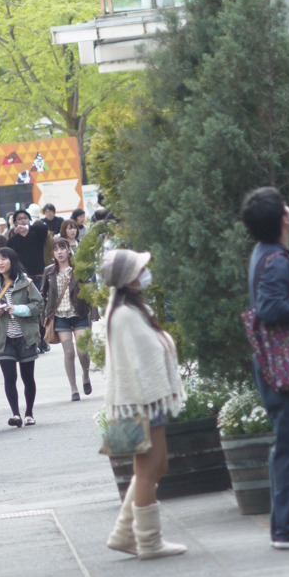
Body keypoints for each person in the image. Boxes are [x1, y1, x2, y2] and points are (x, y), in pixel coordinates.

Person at [241, 186, 289, 549]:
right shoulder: (276, 260)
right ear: (282, 218)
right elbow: (270, 312)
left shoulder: (266, 254)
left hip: (278, 366)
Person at [99, 249, 186, 560]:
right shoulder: (124, 315)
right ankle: (148, 541)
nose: (146, 272)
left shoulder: (131, 309)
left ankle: (124, 532)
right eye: (140, 269)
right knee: (149, 469)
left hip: (149, 399)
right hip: (142, 401)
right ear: (128, 279)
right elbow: (133, 362)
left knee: (156, 466)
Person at [0, 248, 44, 427]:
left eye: (3, 259)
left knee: (27, 377)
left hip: (25, 336)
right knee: (9, 377)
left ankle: (29, 413)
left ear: (12, 261)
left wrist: (18, 309)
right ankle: (15, 414)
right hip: (4, 338)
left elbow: (38, 304)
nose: (0, 263)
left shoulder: (26, 282)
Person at [41, 238, 93, 401]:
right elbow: (42, 294)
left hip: (79, 313)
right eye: (56, 250)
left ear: (68, 250)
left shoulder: (78, 269)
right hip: (60, 316)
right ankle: (74, 388)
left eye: (62, 248)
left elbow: (90, 290)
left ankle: (85, 375)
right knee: (69, 351)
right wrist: (45, 315)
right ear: (53, 253)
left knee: (83, 350)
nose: (59, 252)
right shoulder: (49, 271)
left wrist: (95, 312)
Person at [8, 209, 50, 352]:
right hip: (23, 280)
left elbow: (43, 227)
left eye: (25, 218)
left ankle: (43, 340)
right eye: (19, 219)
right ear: (14, 222)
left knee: (40, 309)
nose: (22, 221)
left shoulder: (36, 235)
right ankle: (33, 342)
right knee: (27, 310)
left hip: (38, 278)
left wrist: (28, 227)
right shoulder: (12, 240)